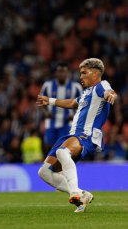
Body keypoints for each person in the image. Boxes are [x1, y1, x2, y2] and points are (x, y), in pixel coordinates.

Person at [36, 58, 117, 213]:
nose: (80, 76)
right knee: (44, 172)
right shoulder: (87, 93)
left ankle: (74, 193)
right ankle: (82, 194)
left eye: (84, 73)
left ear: (95, 73)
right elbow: (73, 103)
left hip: (86, 135)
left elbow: (109, 91)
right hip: (72, 135)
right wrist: (50, 101)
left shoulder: (101, 86)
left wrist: (111, 95)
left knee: (62, 152)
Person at [40, 63, 83, 154]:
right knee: (49, 145)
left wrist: (75, 115)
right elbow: (41, 101)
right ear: (56, 73)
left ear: (67, 73)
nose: (62, 74)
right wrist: (45, 112)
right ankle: (48, 164)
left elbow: (83, 104)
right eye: (60, 72)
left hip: (67, 121)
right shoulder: (48, 85)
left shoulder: (75, 87)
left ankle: (63, 166)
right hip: (51, 121)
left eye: (64, 72)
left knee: (65, 146)